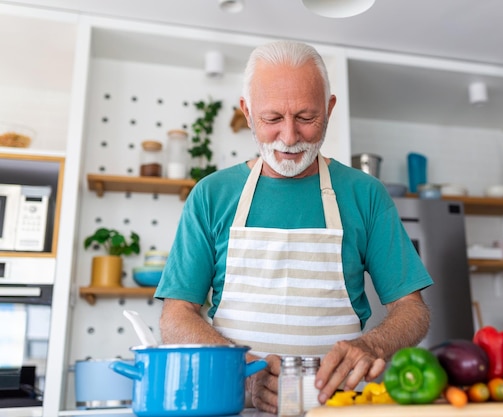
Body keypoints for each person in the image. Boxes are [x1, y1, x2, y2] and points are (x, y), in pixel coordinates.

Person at [155, 40, 433, 414]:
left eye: (306, 117)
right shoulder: (212, 195)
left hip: (339, 407)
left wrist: (373, 345)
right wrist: (243, 372)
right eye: (272, 119)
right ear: (247, 111)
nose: (289, 137)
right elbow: (176, 316)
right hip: (237, 404)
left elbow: (413, 309)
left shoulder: (364, 194)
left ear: (329, 109)